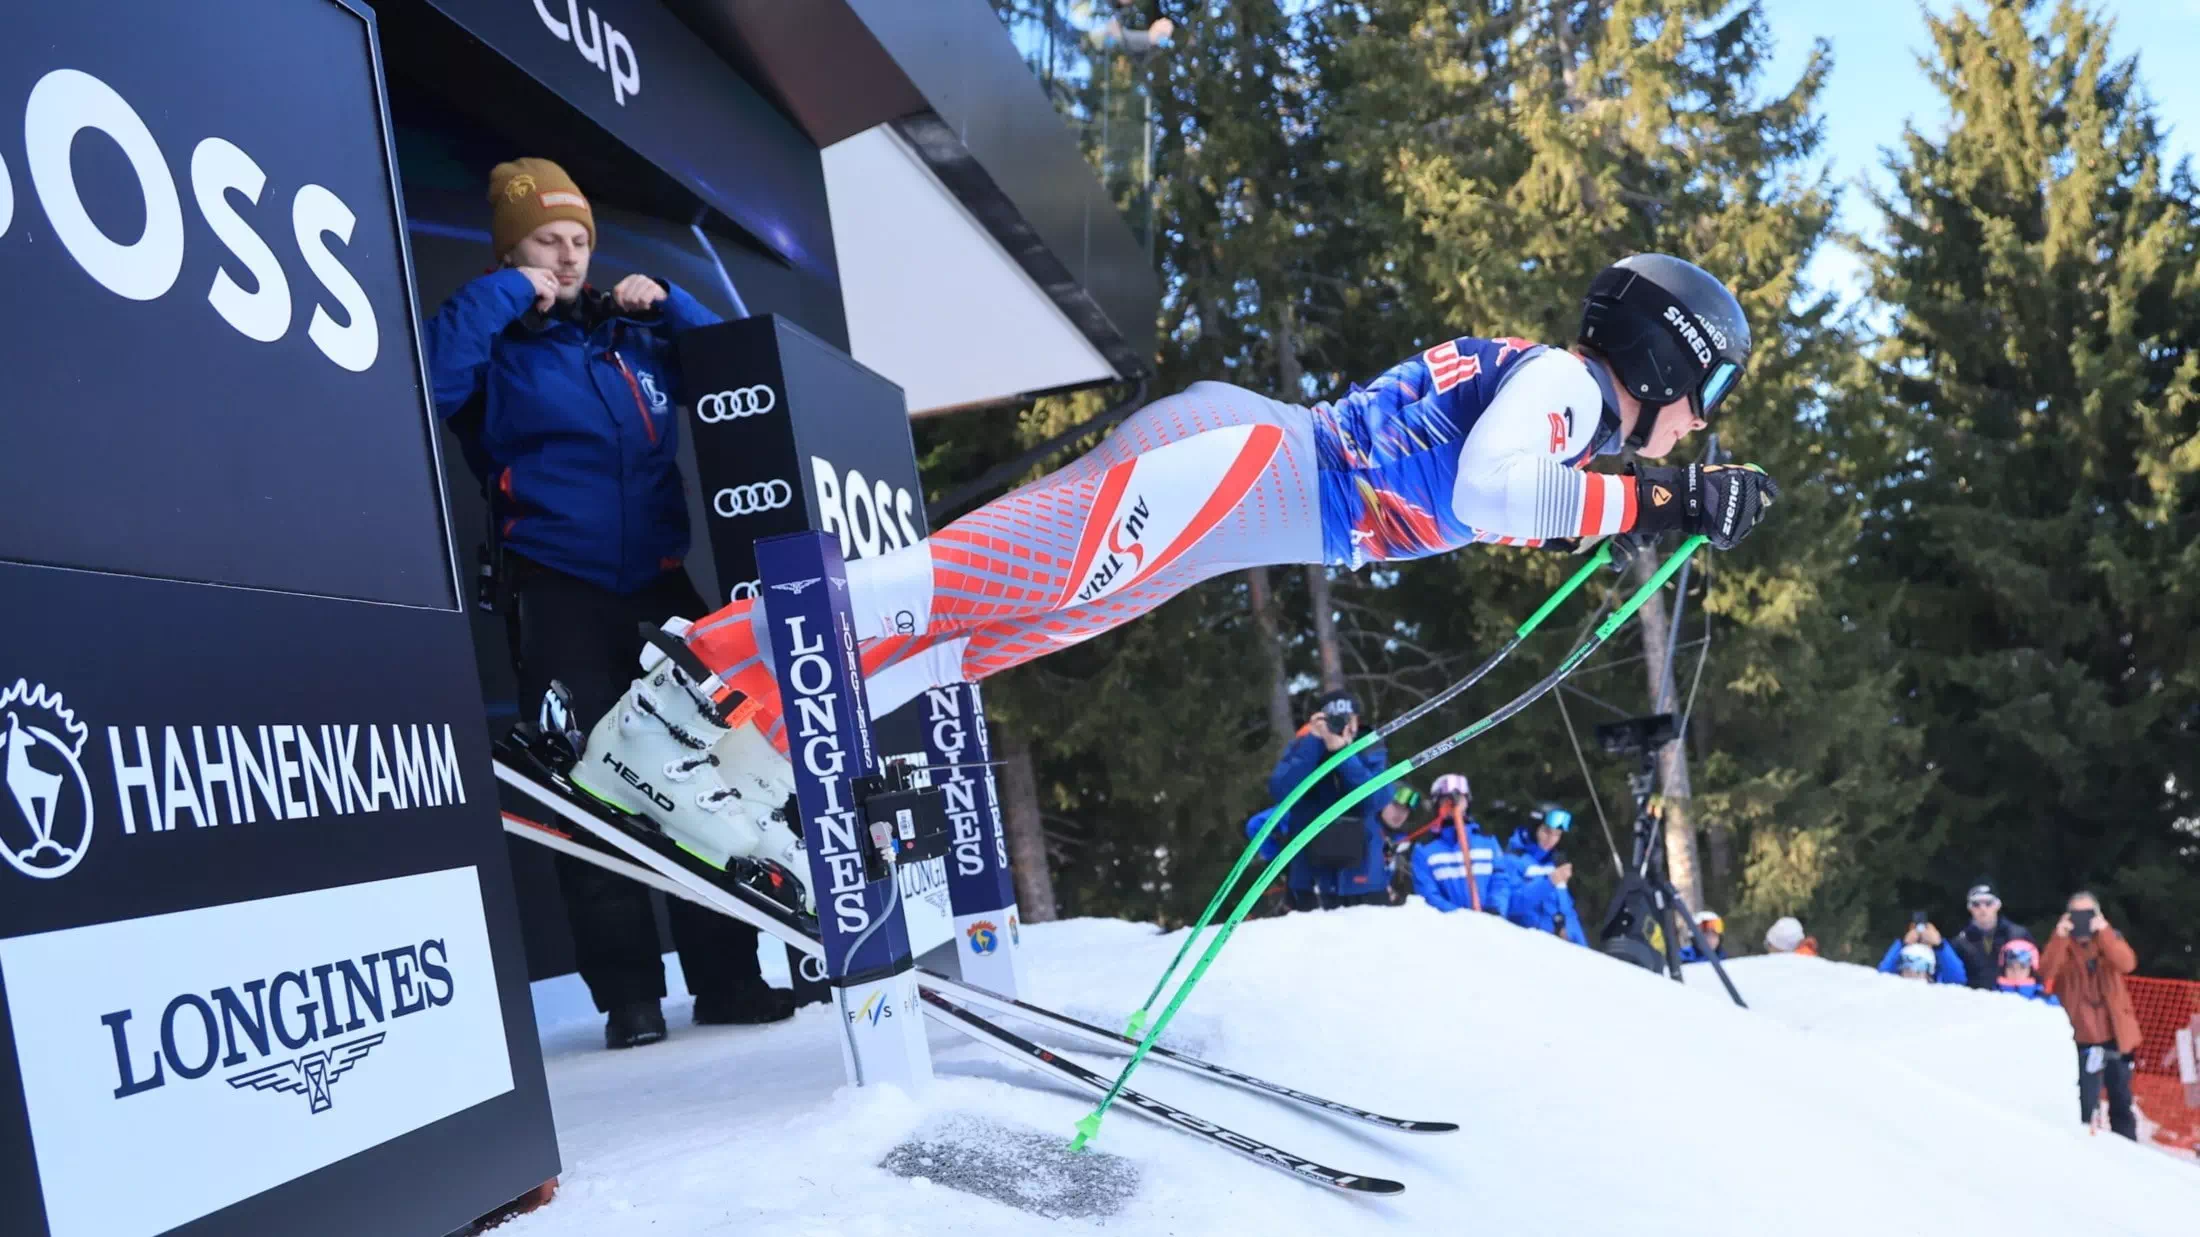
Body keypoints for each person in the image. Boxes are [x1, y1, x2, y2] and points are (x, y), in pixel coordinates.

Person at [568, 254, 1777, 912]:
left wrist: (1641, 502)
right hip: (1241, 467)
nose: (1695, 428)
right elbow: (1490, 496)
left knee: (989, 633)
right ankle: (679, 696)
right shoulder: (1567, 389)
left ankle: (750, 745)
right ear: (1670, 365)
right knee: (964, 581)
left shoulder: (1563, 409)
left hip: (1240, 497)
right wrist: (1664, 501)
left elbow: (1494, 494)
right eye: (1706, 401)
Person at [423, 158, 791, 1049]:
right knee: (591, 784)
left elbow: (740, 370)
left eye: (579, 240)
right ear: (509, 251)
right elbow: (429, 378)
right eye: (546, 241)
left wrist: (670, 303)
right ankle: (629, 998)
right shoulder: (495, 343)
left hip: (659, 585)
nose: (567, 256)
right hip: (558, 586)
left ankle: (729, 977)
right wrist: (508, 293)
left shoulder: (631, 337)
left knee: (711, 767)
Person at [1266, 692, 1387, 911]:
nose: (1341, 725)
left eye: (1346, 719)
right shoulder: (1302, 746)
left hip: (1363, 878)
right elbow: (1280, 791)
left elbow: (1375, 800)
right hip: (1310, 879)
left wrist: (1344, 755)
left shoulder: (1370, 747)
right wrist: (1313, 742)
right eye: (1333, 719)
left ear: (1357, 720)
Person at [2039, 892, 2142, 1139]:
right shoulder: (2064, 945)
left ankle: (2129, 1152)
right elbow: (2046, 970)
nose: (2082, 920)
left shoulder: (2110, 939)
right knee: (2085, 1104)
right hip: (2081, 1035)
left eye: (2087, 914)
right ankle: (2087, 1151)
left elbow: (2127, 964)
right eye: (2076, 915)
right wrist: (2059, 936)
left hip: (2115, 1033)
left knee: (2121, 1100)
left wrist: (2104, 931)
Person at [1408, 774, 1513, 914]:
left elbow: (1500, 880)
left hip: (1488, 922)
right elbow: (1428, 895)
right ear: (1437, 804)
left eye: (1460, 798)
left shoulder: (1487, 841)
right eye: (1447, 799)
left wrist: (1495, 908)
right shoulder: (1424, 849)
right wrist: (1461, 918)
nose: (1454, 804)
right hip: (1448, 924)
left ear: (1467, 802)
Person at [1950, 881, 2033, 992]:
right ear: (1970, 908)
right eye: (1976, 904)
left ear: (1998, 905)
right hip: (1974, 999)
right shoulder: (1959, 942)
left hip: (2014, 998)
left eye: (1988, 903)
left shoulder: (2018, 934)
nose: (1983, 908)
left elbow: (2035, 972)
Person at [1503, 849, 1587, 945]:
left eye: (1557, 835)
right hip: (1523, 941)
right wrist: (1549, 882)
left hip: (1554, 945)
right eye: (1547, 833)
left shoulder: (1555, 864)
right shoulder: (1513, 859)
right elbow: (1512, 905)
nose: (1551, 840)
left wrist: (1568, 933)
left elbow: (1568, 914)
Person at [1877, 919, 1966, 985]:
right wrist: (1902, 944)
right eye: (1907, 970)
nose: (1912, 976)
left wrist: (1939, 946)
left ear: (1929, 975)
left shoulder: (1937, 990)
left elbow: (1957, 979)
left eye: (1919, 971)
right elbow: (1882, 975)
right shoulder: (1895, 987)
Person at [1992, 939, 2060, 1005]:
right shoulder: (1991, 998)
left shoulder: (2047, 1001)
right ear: (2003, 969)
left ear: (2031, 970)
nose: (2016, 972)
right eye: (2010, 967)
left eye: (2022, 967)